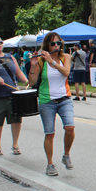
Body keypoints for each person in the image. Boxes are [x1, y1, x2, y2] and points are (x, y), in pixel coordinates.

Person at [28, 32, 75, 176]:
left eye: (58, 43)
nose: (56, 46)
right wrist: (33, 66)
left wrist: (52, 61)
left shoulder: (65, 57)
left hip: (64, 99)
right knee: (50, 133)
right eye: (53, 43)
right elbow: (31, 82)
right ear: (47, 45)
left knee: (70, 127)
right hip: (46, 100)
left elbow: (66, 72)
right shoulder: (41, 61)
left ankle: (66, 155)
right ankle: (50, 164)